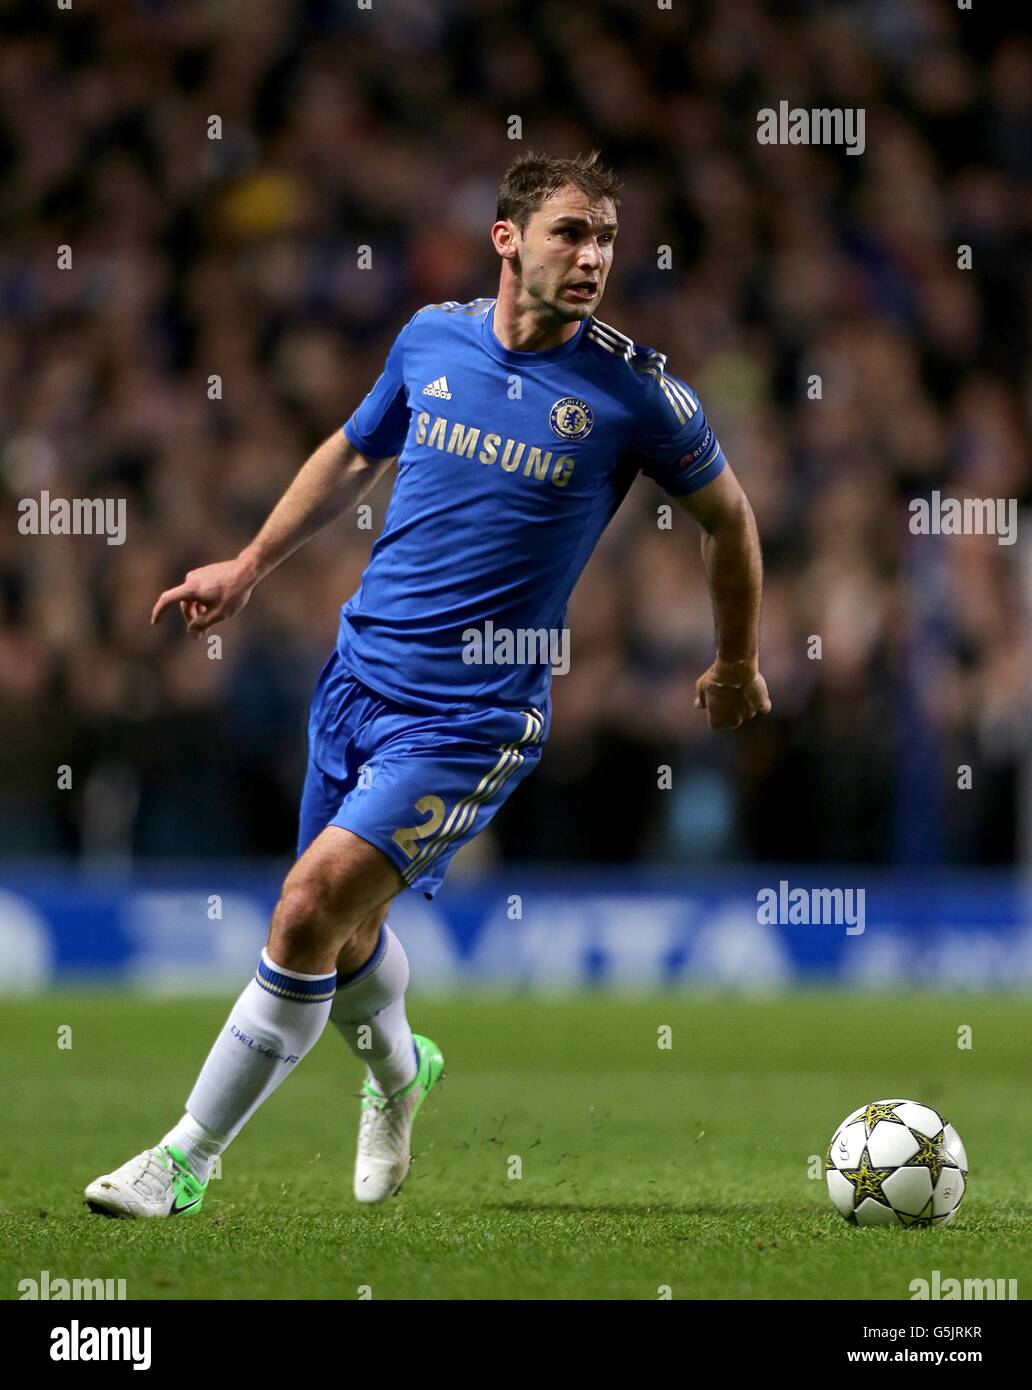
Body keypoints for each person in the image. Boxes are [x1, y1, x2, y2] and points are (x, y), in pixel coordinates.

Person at [85, 149, 771, 1217]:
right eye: (570, 234)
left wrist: (735, 662)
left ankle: (183, 1159)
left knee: (307, 906)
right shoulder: (428, 339)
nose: (592, 258)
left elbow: (733, 521)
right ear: (507, 238)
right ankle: (403, 1074)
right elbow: (355, 451)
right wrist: (247, 564)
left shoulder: (637, 396)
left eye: (605, 240)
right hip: (357, 677)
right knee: (344, 935)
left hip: (473, 714)